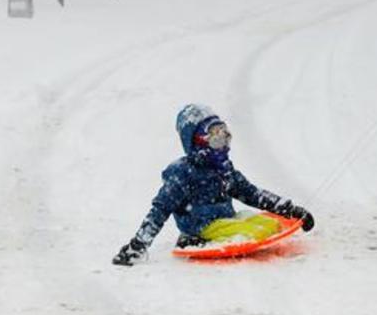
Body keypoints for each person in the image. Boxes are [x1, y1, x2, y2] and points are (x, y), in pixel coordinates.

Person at [112, 104, 316, 265]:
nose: (223, 146)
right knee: (257, 233)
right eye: (216, 139)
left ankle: (217, 233)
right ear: (197, 142)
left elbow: (252, 193)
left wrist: (290, 210)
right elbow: (159, 211)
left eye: (225, 137)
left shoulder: (224, 168)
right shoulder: (182, 174)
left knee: (272, 224)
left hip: (227, 218)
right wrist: (138, 245)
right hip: (204, 226)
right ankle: (191, 239)